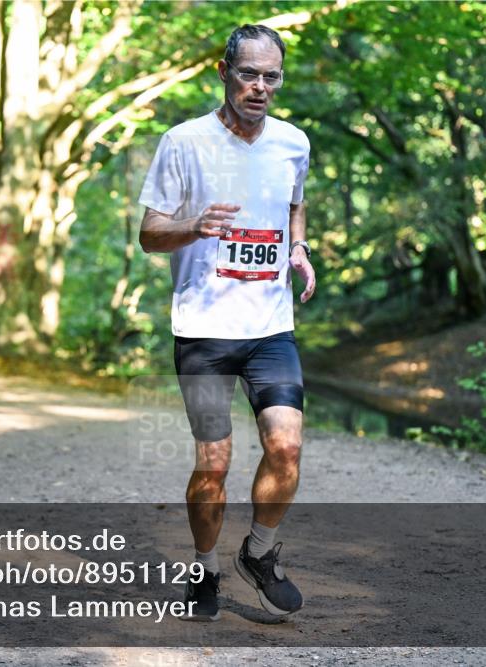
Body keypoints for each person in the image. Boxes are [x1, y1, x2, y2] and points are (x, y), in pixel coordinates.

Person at [138, 24, 315, 621]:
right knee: (213, 463)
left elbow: (294, 201)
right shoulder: (184, 142)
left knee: (285, 448)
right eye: (249, 73)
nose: (260, 86)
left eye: (271, 76)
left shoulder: (293, 142)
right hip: (205, 331)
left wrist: (298, 248)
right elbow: (148, 234)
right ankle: (205, 566)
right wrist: (193, 227)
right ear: (224, 71)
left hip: (270, 327)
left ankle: (259, 554)